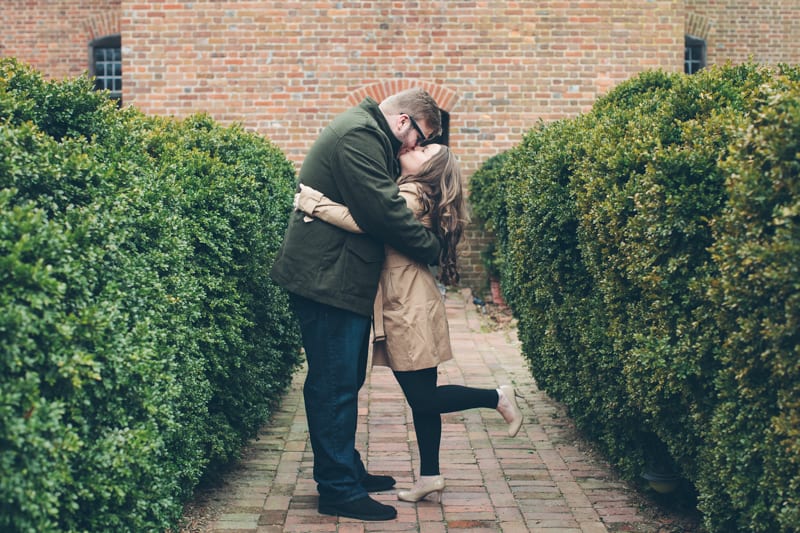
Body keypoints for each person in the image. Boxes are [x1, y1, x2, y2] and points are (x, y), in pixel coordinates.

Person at [293, 143, 524, 506]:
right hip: (408, 300)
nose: (415, 147)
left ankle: (496, 397)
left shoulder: (413, 195)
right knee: (422, 397)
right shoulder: (412, 191)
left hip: (409, 306)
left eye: (425, 148)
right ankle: (430, 477)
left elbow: (364, 223)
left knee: (423, 396)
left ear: (429, 169)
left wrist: (314, 203)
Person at [270, 88, 443, 521]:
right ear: (403, 121)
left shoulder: (366, 134)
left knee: (340, 380)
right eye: (418, 138)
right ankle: (338, 490)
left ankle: (344, 469)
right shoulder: (360, 136)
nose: (414, 147)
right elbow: (381, 212)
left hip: (337, 275)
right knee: (334, 383)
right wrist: (431, 247)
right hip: (327, 278)